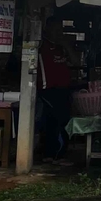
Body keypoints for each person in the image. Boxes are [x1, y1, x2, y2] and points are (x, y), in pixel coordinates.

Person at [38, 15, 73, 160]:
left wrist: (66, 46)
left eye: (61, 29)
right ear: (47, 28)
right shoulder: (41, 45)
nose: (59, 32)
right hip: (48, 90)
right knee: (53, 122)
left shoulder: (61, 47)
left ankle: (60, 153)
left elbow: (76, 61)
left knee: (64, 121)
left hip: (64, 89)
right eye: (56, 29)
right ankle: (52, 154)